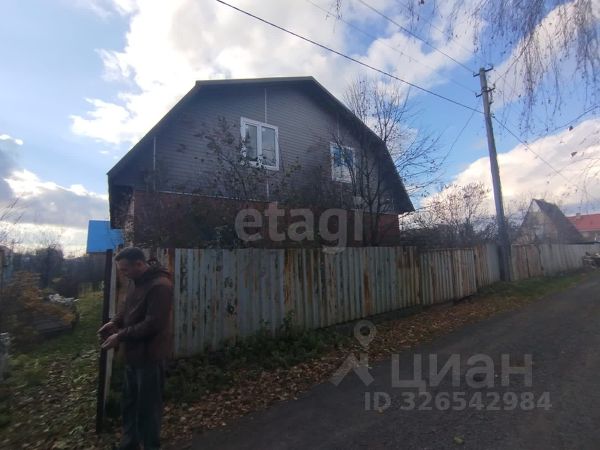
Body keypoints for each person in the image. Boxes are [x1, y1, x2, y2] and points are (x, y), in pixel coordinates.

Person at [98, 247, 173, 450]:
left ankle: (150, 446)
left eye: (125, 270)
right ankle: (129, 444)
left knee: (148, 409)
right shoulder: (136, 282)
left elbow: (153, 324)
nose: (123, 274)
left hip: (150, 357)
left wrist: (120, 336)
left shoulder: (160, 286)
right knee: (129, 404)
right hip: (133, 356)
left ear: (139, 264)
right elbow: (127, 307)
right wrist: (114, 322)